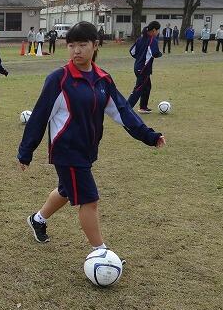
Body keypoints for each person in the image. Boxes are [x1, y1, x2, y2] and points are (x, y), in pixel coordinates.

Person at [18, 21, 165, 252]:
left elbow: (122, 111)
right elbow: (40, 116)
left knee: (66, 190)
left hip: (87, 149)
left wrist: (149, 135)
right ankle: (101, 252)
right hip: (67, 150)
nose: (76, 50)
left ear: (95, 45)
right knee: (89, 200)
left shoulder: (103, 79)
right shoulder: (59, 79)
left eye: (82, 45)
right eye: (71, 45)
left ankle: (38, 219)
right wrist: (26, 151)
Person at [127, 21, 162, 114]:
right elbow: (155, 53)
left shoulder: (140, 39)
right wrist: (159, 54)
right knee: (138, 88)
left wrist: (139, 58)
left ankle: (143, 107)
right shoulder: (152, 40)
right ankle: (126, 108)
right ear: (154, 30)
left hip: (137, 66)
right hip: (144, 69)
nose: (158, 32)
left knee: (147, 86)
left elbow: (132, 51)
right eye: (158, 30)